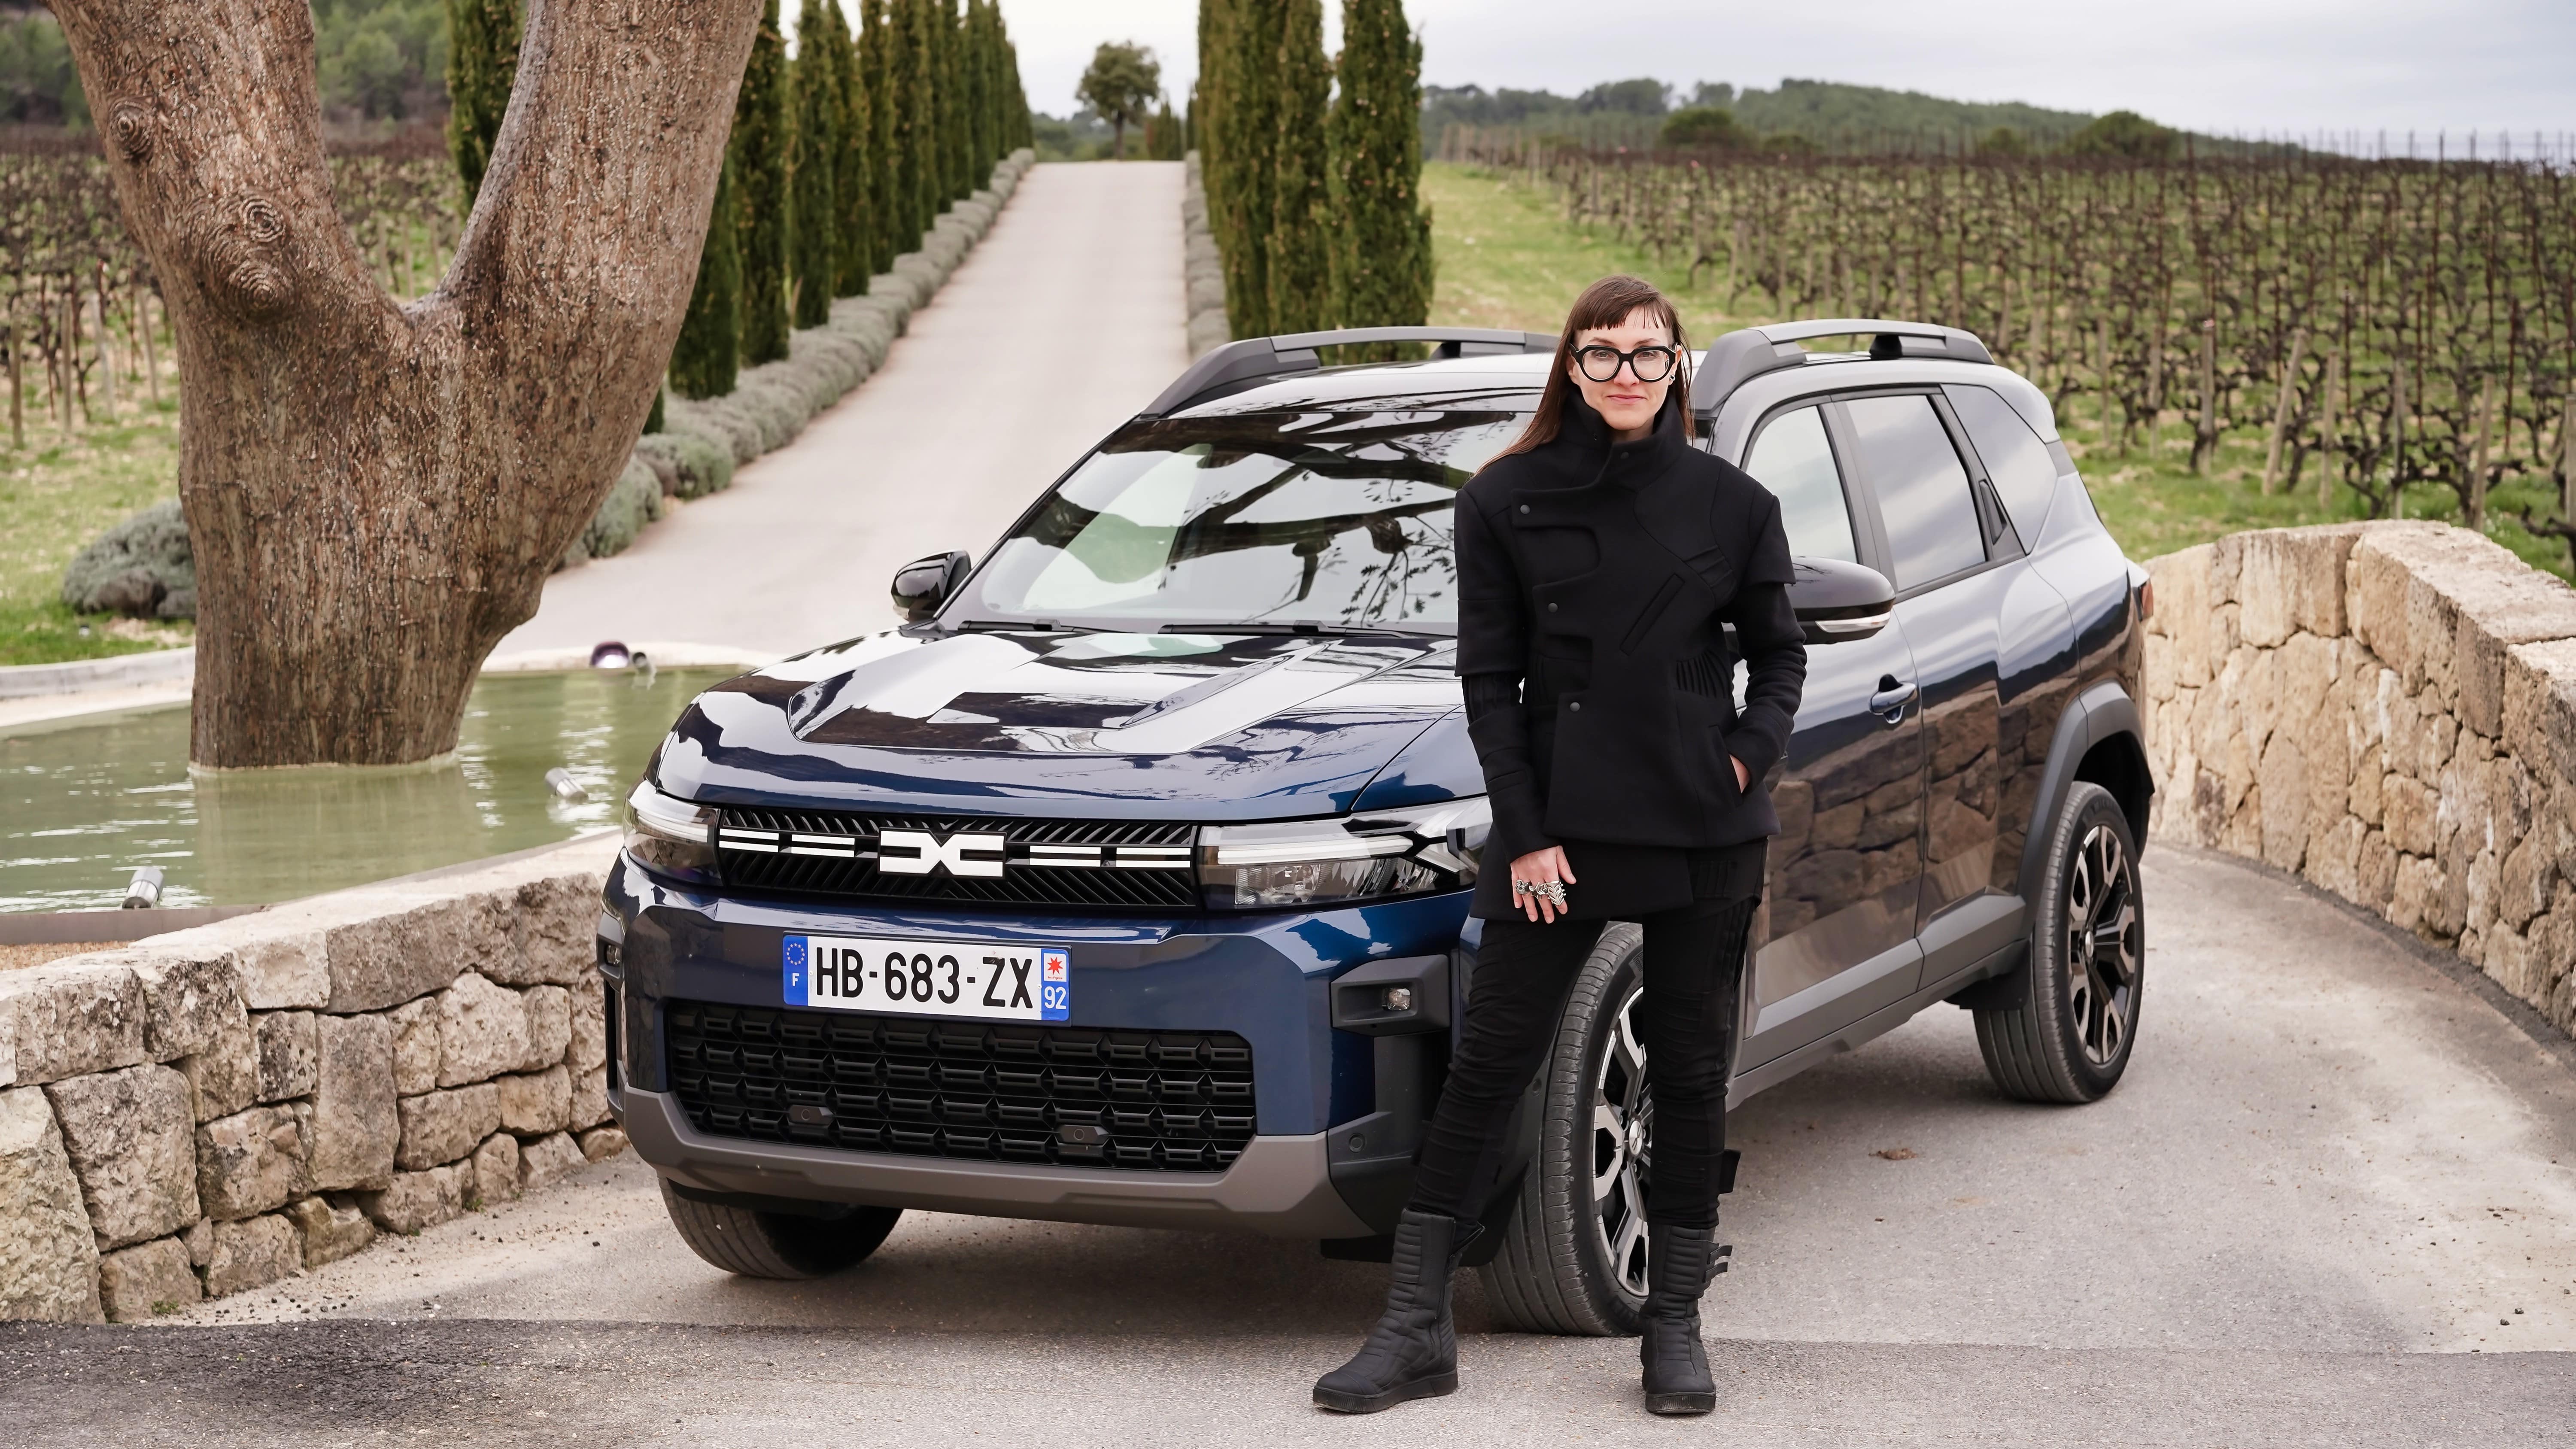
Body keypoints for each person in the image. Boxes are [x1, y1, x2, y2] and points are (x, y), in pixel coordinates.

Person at [1312, 275, 1807, 1418]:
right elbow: (1490, 684)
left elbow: (1780, 654)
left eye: (1649, 353)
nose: (1627, 374)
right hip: (1558, 835)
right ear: (1571, 368)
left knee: (1689, 1074)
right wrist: (1528, 839)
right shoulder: (1503, 498)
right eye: (1603, 354)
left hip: (1704, 828)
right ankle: (1413, 1329)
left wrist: (1744, 758)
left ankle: (1672, 1326)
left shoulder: (1737, 504)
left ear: (1678, 365)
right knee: (1488, 1064)